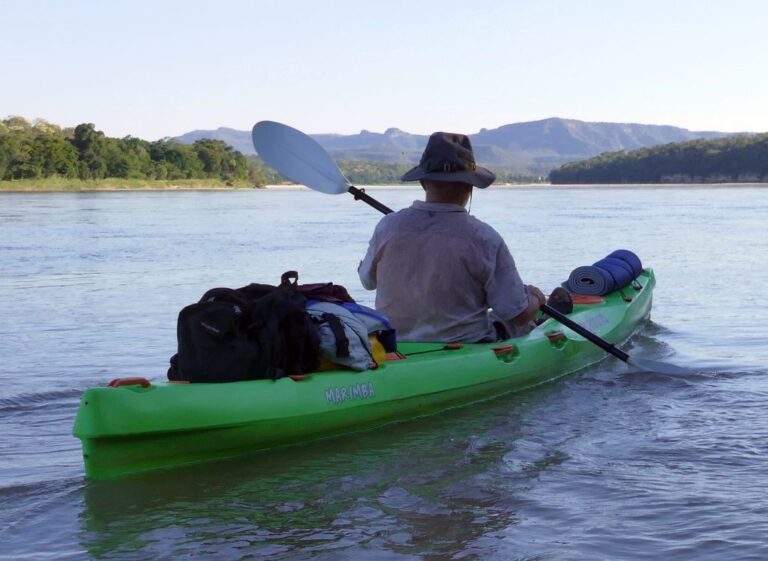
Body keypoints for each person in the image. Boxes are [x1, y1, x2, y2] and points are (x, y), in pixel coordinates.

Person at [358, 131, 569, 343]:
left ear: (423, 182)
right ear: (470, 186)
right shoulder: (484, 238)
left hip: (394, 343)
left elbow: (367, 281)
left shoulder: (388, 226)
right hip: (465, 344)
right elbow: (518, 314)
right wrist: (535, 298)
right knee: (517, 321)